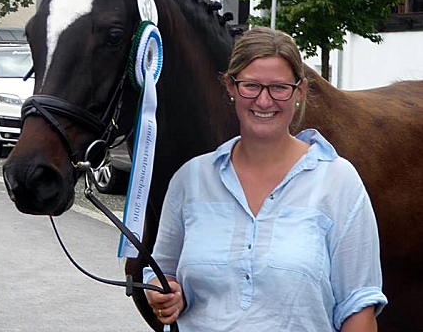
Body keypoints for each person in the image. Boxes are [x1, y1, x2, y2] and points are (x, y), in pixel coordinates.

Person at [144, 27, 387, 331]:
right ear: (230, 87)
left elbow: (358, 306)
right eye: (251, 86)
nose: (263, 101)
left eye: (279, 88)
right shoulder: (190, 180)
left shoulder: (338, 181)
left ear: (299, 92)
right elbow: (161, 270)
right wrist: (166, 292)